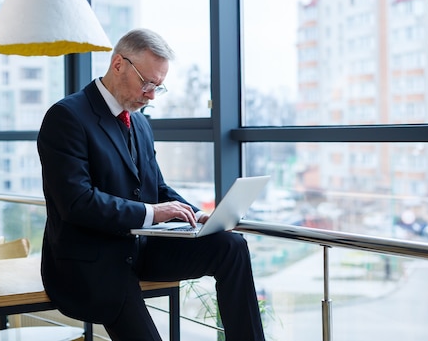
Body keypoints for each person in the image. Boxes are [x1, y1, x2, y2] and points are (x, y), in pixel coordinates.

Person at [37, 28, 265, 341]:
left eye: (159, 87)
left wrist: (195, 214)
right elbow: (77, 202)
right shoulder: (66, 117)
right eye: (147, 83)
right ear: (118, 65)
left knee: (232, 247)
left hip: (140, 250)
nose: (151, 95)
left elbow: (156, 188)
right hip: (92, 263)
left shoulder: (140, 122)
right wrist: (154, 213)